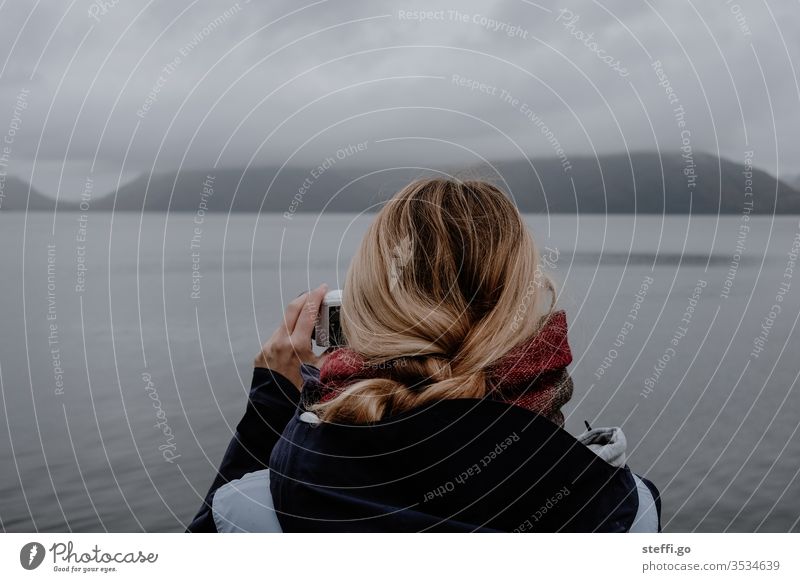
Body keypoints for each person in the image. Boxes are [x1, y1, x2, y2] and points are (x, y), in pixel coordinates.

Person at [187, 178, 661, 532]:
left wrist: (271, 401)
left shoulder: (254, 512)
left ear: (368, 309)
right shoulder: (626, 511)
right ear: (524, 302)